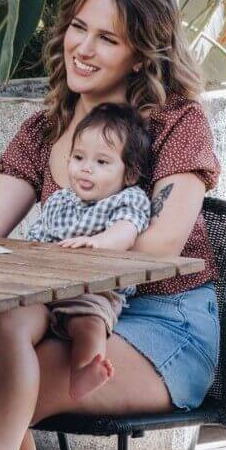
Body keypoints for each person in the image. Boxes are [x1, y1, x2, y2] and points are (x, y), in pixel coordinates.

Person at [0, 0, 221, 450]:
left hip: (162, 319)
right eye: (79, 28)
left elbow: (162, 244)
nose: (83, 47)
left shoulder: (176, 121)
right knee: (0, 325)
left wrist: (66, 260)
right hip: (66, 306)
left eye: (107, 38)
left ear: (142, 53)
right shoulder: (45, 127)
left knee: (0, 391)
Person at [26, 102, 150, 400]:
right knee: (5, 309)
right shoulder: (60, 201)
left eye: (102, 162)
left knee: (90, 321)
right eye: (79, 157)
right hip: (50, 286)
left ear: (130, 174)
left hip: (96, 289)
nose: (85, 168)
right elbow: (38, 236)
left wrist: (99, 243)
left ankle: (84, 369)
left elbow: (127, 231)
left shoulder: (128, 199)